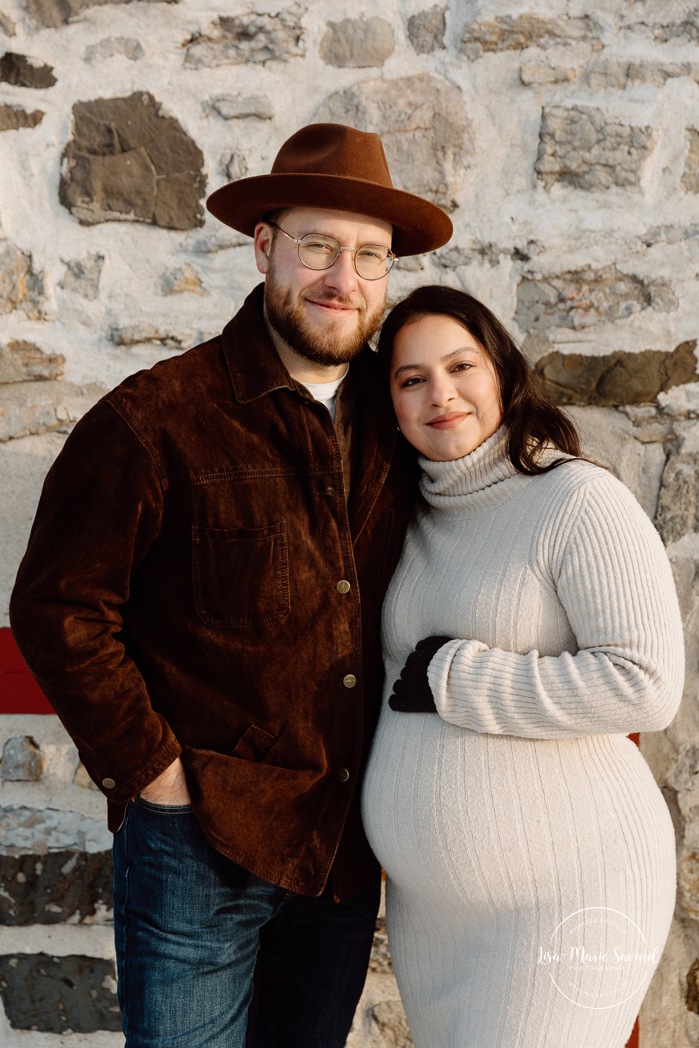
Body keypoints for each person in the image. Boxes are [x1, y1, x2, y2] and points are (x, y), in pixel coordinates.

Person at [9, 125, 453, 1048]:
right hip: (199, 846)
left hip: (341, 850)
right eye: (318, 246)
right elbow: (57, 609)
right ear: (264, 249)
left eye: (369, 256)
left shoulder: (399, 413)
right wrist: (156, 777)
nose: (344, 277)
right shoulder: (154, 417)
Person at [361, 284, 685, 1048]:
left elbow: (646, 683)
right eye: (411, 380)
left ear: (502, 373)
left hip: (569, 892)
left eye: (460, 366)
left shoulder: (573, 500)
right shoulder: (402, 518)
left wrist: (457, 677)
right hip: (435, 920)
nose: (440, 394)